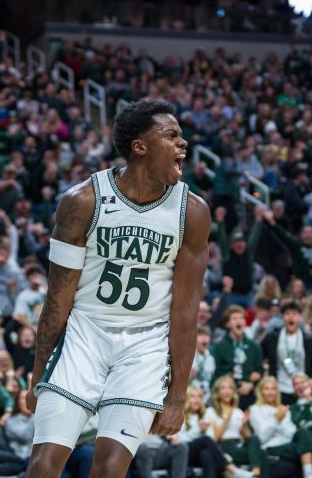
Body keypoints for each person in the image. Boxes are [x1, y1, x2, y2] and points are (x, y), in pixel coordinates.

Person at [25, 100, 211, 478]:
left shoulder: (192, 212)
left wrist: (177, 397)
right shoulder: (82, 202)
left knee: (110, 470)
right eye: (171, 135)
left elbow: (186, 310)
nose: (184, 143)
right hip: (84, 334)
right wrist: (38, 371)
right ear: (140, 146)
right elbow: (58, 296)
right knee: (43, 465)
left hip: (145, 346)